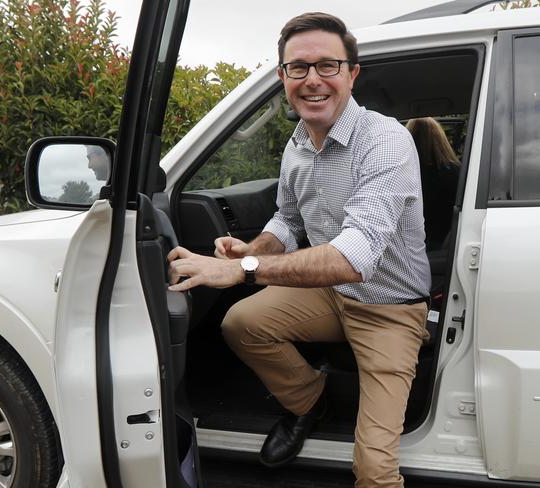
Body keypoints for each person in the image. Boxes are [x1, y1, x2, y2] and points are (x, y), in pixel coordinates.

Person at [167, 12, 431, 488]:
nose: (312, 80)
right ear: (282, 77)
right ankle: (310, 402)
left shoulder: (386, 141)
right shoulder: (297, 144)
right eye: (298, 68)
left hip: (390, 309)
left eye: (327, 66)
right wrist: (253, 248)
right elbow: (287, 220)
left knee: (374, 472)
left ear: (352, 73)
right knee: (241, 324)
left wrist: (244, 269)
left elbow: (352, 258)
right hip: (331, 294)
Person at [406, 117, 460, 250]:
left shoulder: (403, 174)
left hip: (413, 246)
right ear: (440, 139)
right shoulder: (455, 173)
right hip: (447, 246)